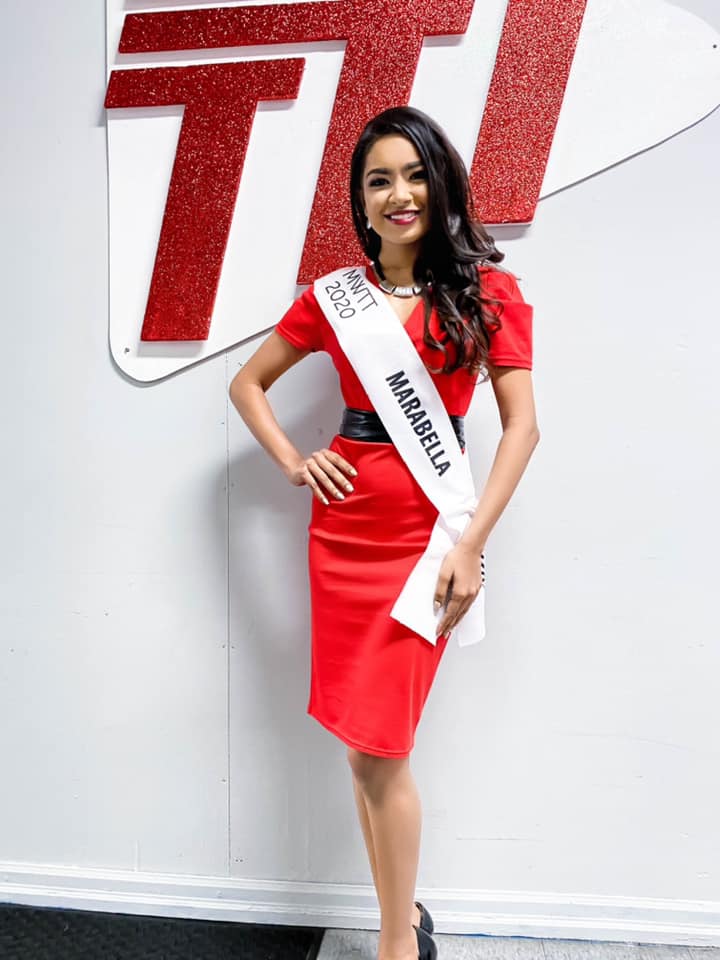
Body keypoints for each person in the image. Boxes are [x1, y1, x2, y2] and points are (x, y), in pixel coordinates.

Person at [229, 106, 539, 960]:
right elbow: (247, 384)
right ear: (360, 201)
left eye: (414, 175)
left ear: (441, 186)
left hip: (429, 540)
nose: (399, 194)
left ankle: (398, 946)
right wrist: (295, 460)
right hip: (341, 539)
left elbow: (522, 428)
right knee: (364, 751)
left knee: (380, 748)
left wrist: (470, 545)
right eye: (379, 181)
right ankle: (403, 922)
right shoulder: (334, 299)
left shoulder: (490, 294)